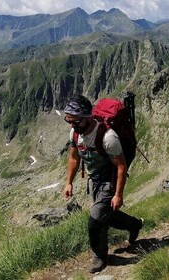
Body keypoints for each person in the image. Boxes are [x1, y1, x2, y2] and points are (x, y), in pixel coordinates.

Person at [62, 95, 143, 274]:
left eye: (75, 121)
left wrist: (118, 194)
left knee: (95, 221)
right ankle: (134, 224)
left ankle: (100, 256)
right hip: (96, 180)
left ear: (87, 117)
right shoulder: (75, 133)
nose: (72, 125)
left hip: (110, 179)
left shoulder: (108, 137)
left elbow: (121, 166)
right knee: (107, 215)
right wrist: (69, 183)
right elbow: (74, 158)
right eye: (69, 120)